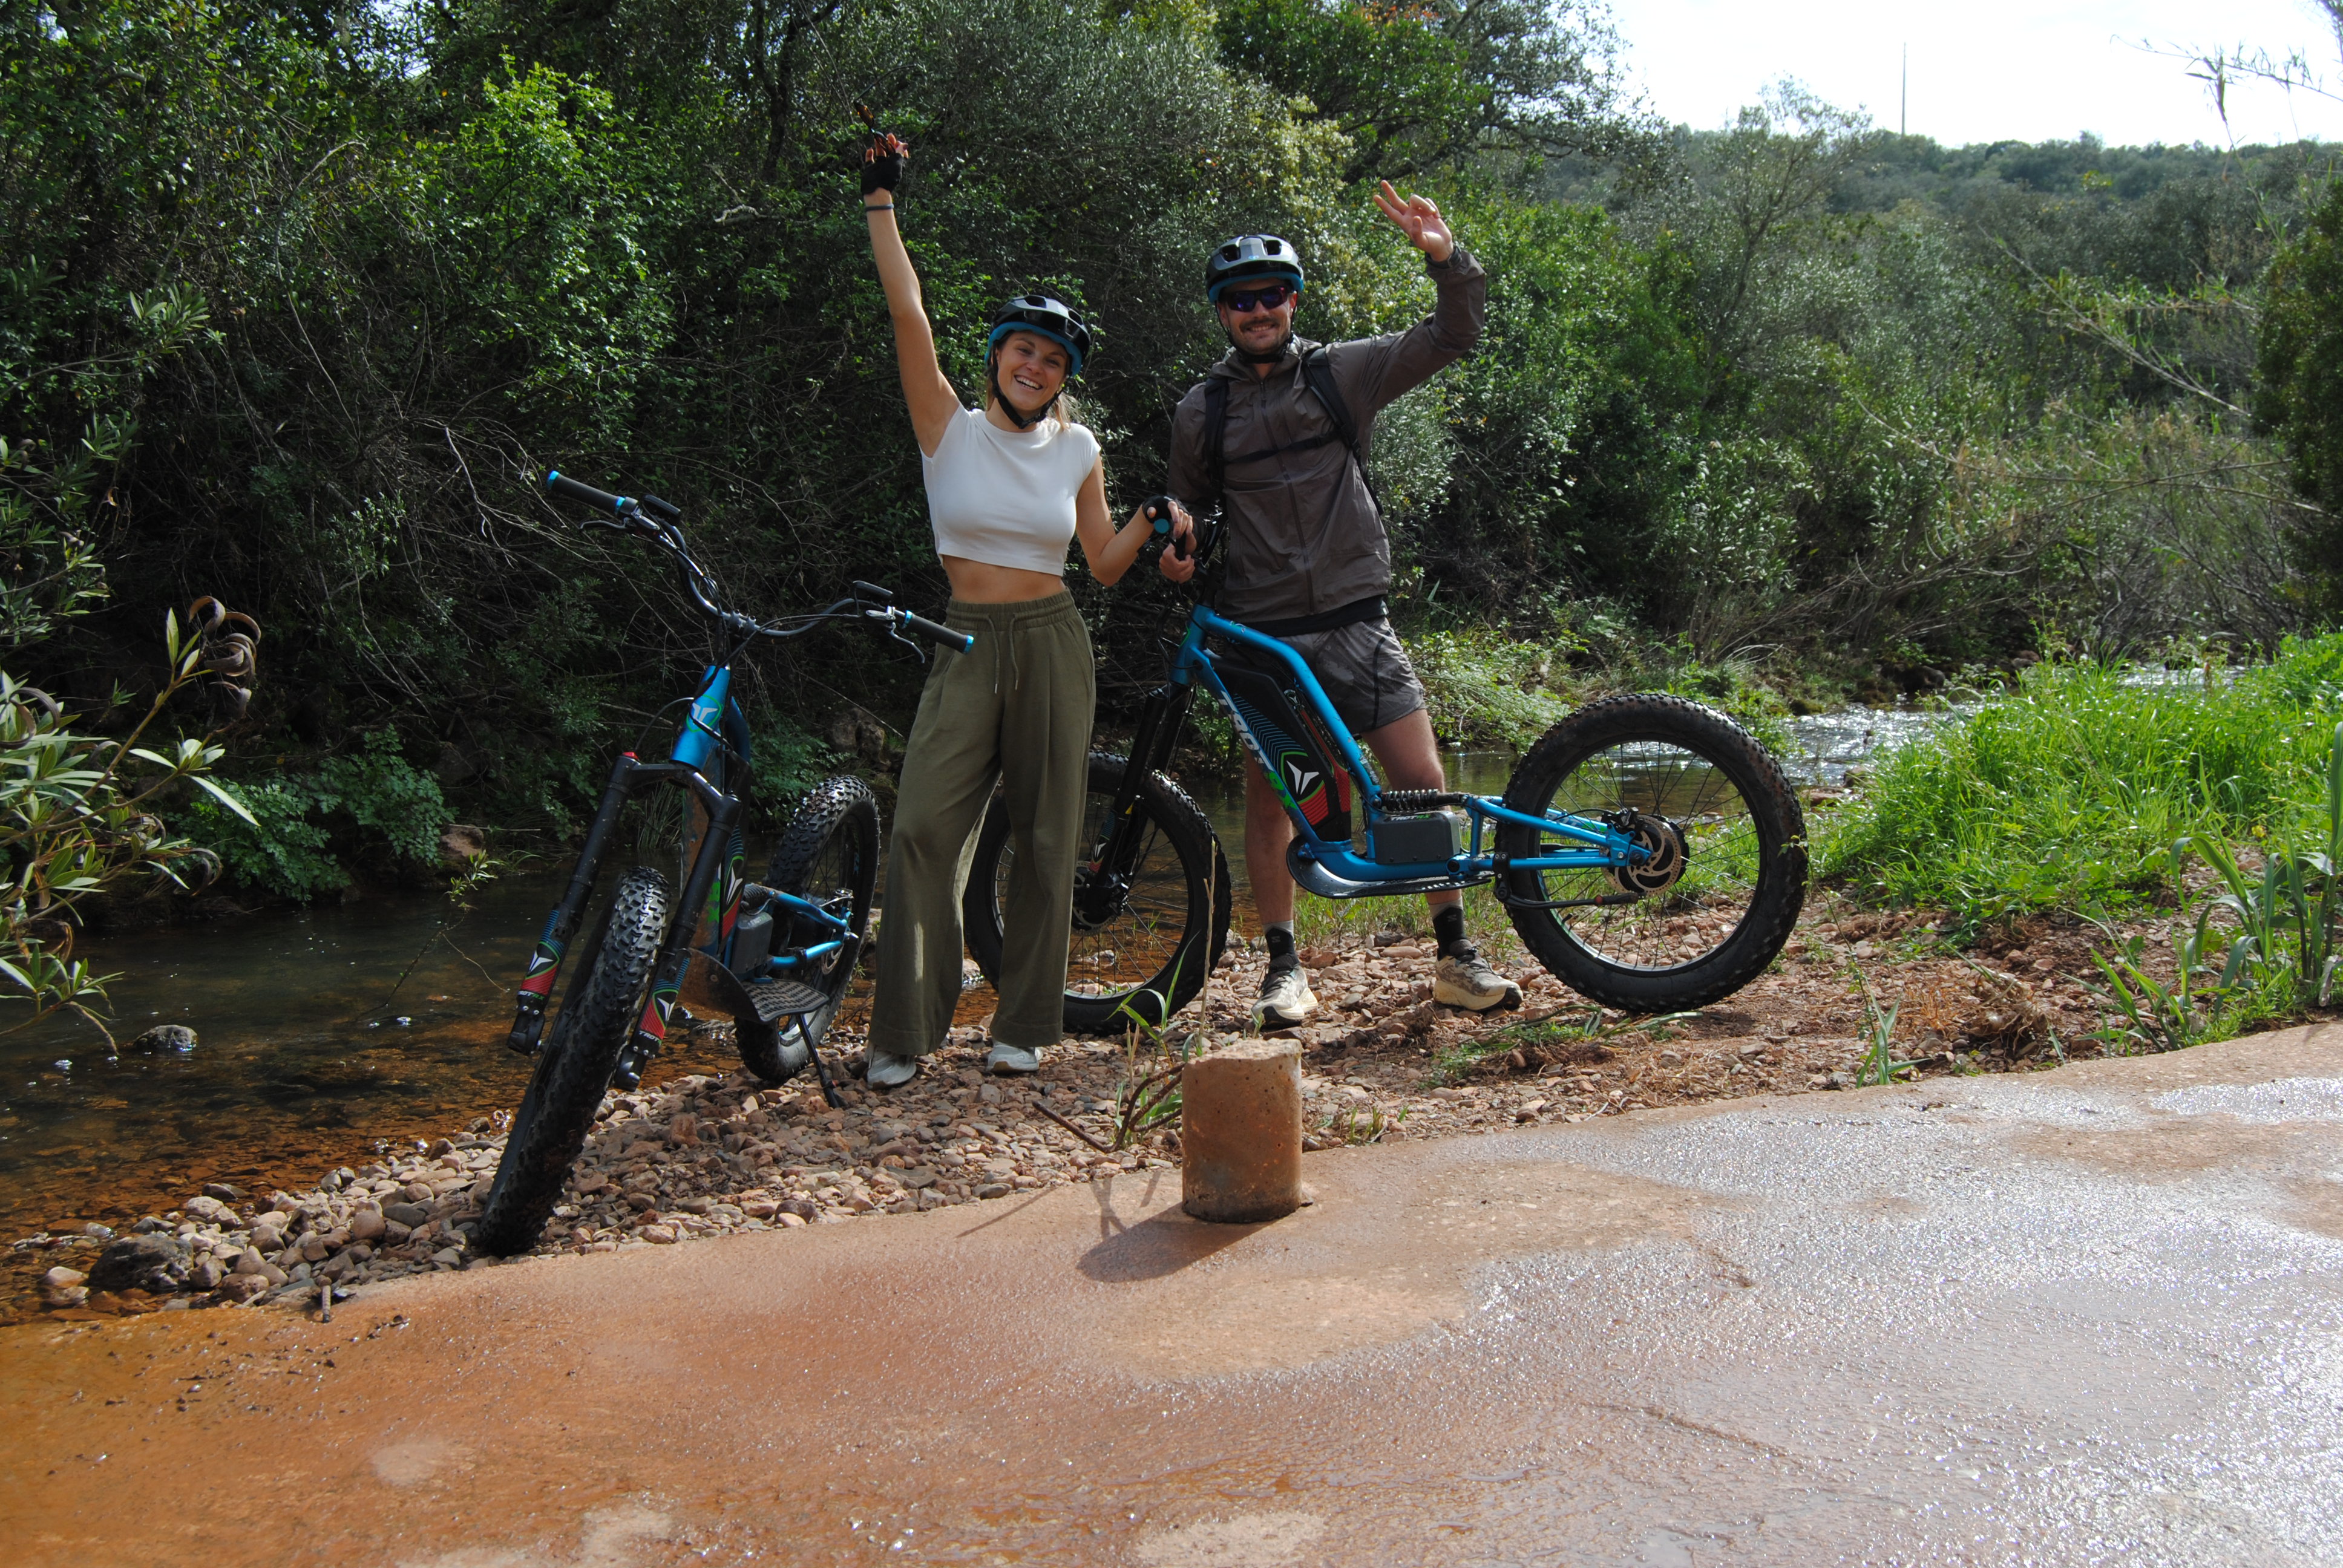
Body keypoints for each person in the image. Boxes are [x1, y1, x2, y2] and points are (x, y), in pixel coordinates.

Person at [857, 126, 1191, 1088]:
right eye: (1021, 350)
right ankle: (907, 1032)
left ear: (1063, 375)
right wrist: (881, 204)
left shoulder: (1078, 452)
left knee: (1049, 836)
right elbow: (909, 315)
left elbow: (1102, 562)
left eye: (1051, 358)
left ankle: (1023, 1024)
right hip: (965, 640)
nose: (1034, 366)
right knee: (924, 824)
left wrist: (1152, 518)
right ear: (998, 356)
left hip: (1052, 639)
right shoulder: (946, 428)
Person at [1161, 184, 1519, 1029]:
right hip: (1264, 635)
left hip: (1359, 619)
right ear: (1222, 313)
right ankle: (1283, 970)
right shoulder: (1199, 411)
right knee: (1274, 799)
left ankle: (1456, 958)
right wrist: (1177, 547)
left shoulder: (1341, 373)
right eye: (1240, 300)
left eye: (1271, 294)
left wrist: (1443, 254)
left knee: (1422, 784)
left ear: (1293, 301)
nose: (1258, 310)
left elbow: (1454, 334)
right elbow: (1190, 511)